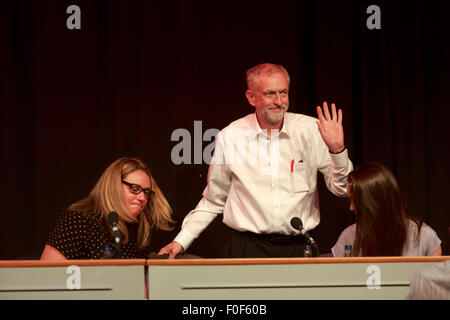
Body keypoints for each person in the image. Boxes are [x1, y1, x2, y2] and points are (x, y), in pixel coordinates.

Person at [159, 62, 353, 258]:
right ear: (251, 97)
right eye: (270, 94)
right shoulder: (231, 137)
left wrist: (337, 150)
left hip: (298, 248)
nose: (279, 101)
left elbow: (343, 189)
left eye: (284, 93)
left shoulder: (312, 130)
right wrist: (180, 242)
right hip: (247, 249)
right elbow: (213, 200)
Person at [40, 157, 174, 260]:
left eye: (146, 192)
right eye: (135, 189)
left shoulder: (136, 228)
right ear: (113, 185)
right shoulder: (79, 219)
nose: (142, 198)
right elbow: (49, 274)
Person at [331, 162, 442, 257]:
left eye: (354, 201)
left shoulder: (425, 237)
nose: (351, 207)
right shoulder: (348, 237)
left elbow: (434, 281)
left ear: (372, 203)